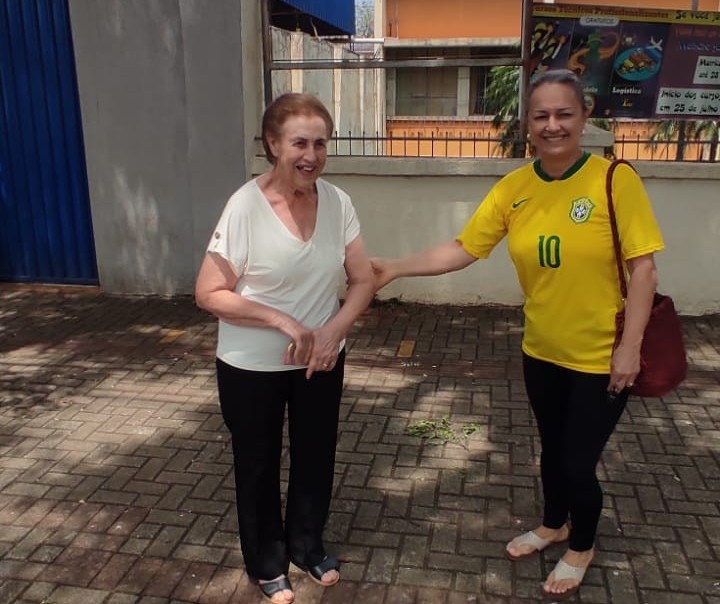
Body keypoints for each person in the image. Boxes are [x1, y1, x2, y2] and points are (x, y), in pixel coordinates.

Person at [371, 69, 664, 600]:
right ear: (528, 122)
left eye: (563, 114)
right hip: (542, 351)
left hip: (602, 357)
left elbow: (643, 269)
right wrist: (394, 267)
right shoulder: (515, 188)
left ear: (584, 116)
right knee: (552, 450)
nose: (552, 125)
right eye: (541, 115)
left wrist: (631, 348)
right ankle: (554, 524)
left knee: (577, 462)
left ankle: (583, 543)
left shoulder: (614, 180)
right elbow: (463, 248)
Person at [195, 93, 374, 604]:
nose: (311, 155)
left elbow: (361, 279)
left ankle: (306, 545)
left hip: (320, 360)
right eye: (299, 142)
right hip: (251, 366)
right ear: (273, 144)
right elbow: (208, 291)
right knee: (257, 463)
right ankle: (267, 562)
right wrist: (282, 320)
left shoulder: (339, 203)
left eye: (320, 143)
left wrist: (333, 330)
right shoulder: (245, 206)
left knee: (317, 455)